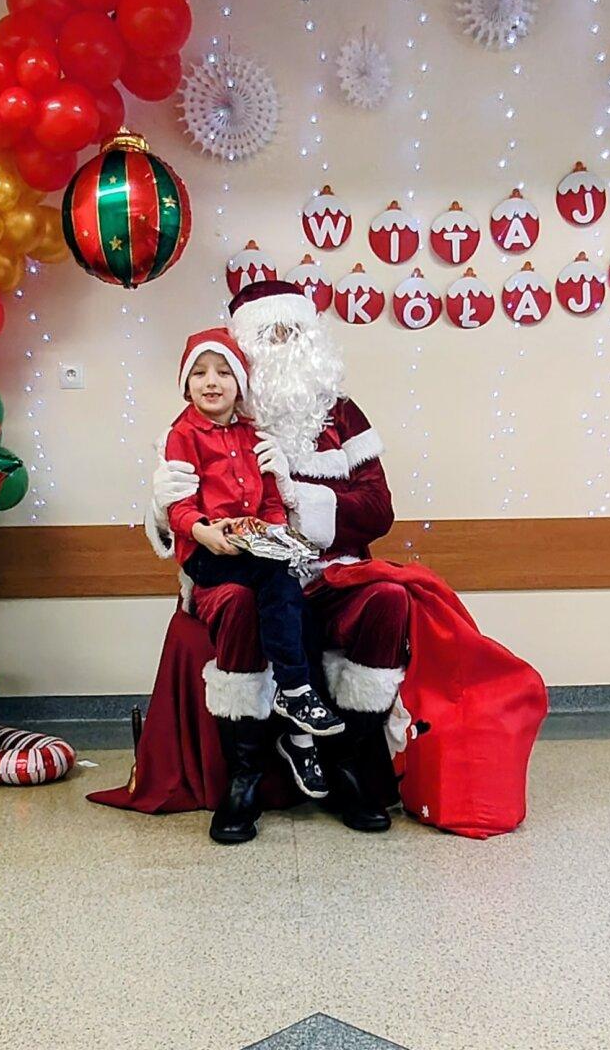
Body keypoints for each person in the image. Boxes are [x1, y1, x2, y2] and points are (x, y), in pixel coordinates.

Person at [149, 282, 410, 843]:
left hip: (332, 571)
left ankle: (349, 762)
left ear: (313, 341)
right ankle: (244, 777)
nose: (283, 345)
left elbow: (379, 509)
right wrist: (164, 506)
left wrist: (297, 499)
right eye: (268, 335)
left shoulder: (342, 415)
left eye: (293, 333)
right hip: (244, 570)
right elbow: (179, 505)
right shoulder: (216, 410)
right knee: (246, 601)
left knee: (388, 599)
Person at [165, 327, 344, 807]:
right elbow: (177, 506)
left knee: (286, 582)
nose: (212, 382)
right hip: (209, 552)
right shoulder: (182, 435)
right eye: (200, 373)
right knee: (273, 581)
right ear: (186, 384)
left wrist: (275, 534)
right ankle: (294, 692)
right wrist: (203, 530)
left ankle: (296, 703)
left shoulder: (254, 436)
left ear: (240, 384)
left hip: (252, 549)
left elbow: (269, 503)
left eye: (224, 373)